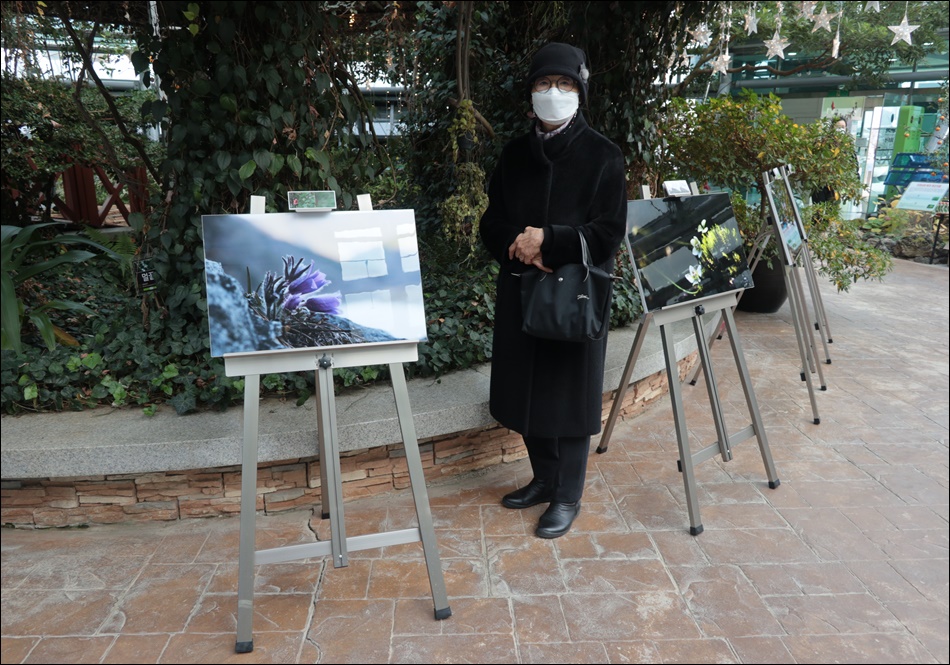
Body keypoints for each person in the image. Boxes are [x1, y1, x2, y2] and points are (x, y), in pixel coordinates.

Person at [478, 42, 628, 539]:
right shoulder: (513, 155)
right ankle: (543, 478)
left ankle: (567, 494)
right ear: (531, 93)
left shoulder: (604, 155)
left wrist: (551, 240)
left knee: (568, 399)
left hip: (573, 297)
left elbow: (608, 232)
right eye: (544, 83)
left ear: (580, 92)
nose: (553, 92)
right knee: (524, 393)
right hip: (521, 290)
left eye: (564, 84)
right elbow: (491, 221)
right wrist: (518, 245)